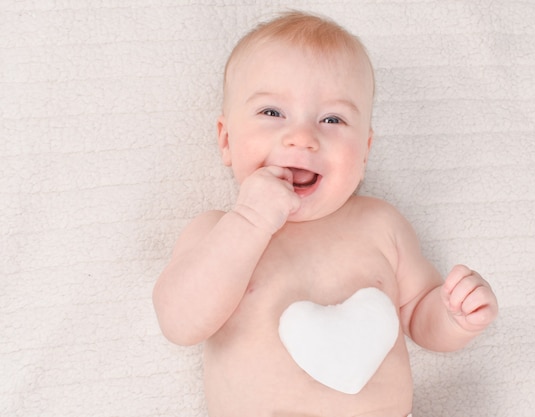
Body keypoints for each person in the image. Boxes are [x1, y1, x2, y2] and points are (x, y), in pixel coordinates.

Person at [152, 10, 498, 417]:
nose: (302, 138)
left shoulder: (381, 226)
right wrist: (250, 219)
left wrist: (454, 317)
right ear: (227, 140)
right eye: (272, 113)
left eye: (332, 119)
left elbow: (420, 315)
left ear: (365, 151)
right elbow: (179, 323)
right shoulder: (217, 232)